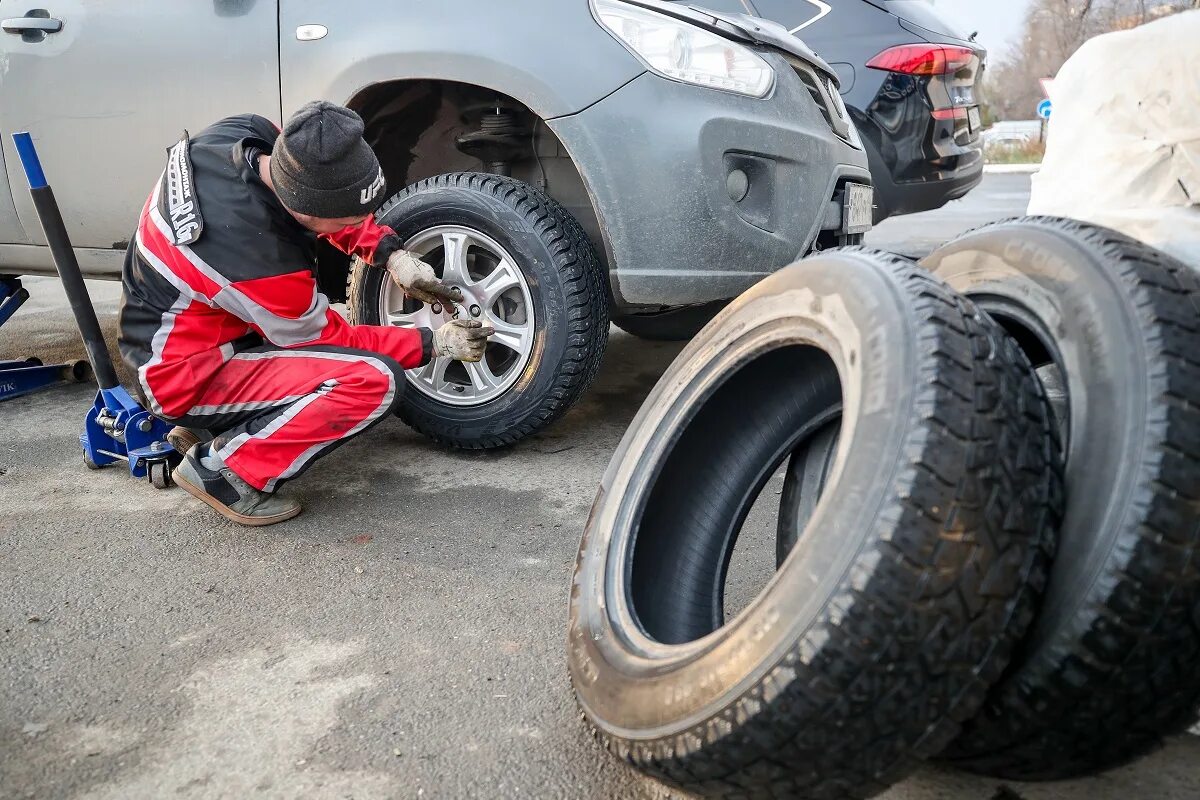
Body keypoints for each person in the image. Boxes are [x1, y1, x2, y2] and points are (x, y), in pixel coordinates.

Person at [118, 101, 492, 526]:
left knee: (329, 351)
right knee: (372, 380)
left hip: (205, 331)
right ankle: (224, 472)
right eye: (350, 219)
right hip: (183, 378)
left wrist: (390, 253)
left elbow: (319, 195)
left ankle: (228, 426)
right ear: (309, 213)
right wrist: (431, 342)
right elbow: (328, 341)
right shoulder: (258, 260)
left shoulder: (247, 135)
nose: (359, 222)